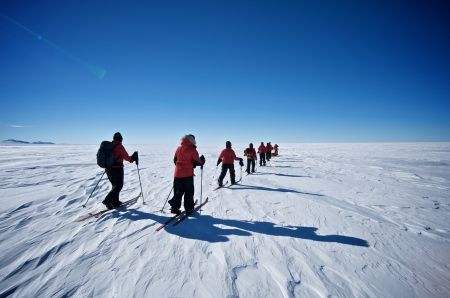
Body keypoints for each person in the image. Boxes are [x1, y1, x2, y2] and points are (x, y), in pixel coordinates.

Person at [168, 134, 205, 215]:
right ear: (192, 140)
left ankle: (174, 208)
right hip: (187, 175)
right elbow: (198, 162)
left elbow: (175, 160)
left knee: (178, 192)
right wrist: (202, 160)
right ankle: (189, 209)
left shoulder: (178, 148)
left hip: (177, 174)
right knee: (189, 192)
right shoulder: (192, 150)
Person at [102, 132, 138, 209]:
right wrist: (133, 158)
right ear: (121, 139)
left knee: (114, 185)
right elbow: (128, 158)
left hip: (108, 169)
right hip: (117, 169)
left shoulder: (110, 146)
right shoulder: (119, 146)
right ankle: (107, 200)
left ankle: (115, 201)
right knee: (118, 186)